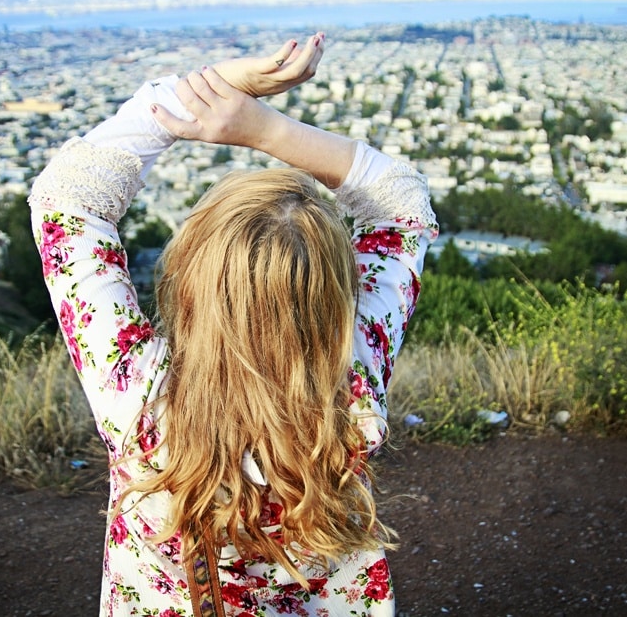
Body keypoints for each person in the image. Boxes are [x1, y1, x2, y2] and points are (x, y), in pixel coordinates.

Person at [28, 32, 439, 616]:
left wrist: (198, 89)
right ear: (336, 293)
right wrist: (267, 129)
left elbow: (68, 198)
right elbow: (401, 205)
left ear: (188, 279)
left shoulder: (137, 391)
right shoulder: (352, 380)